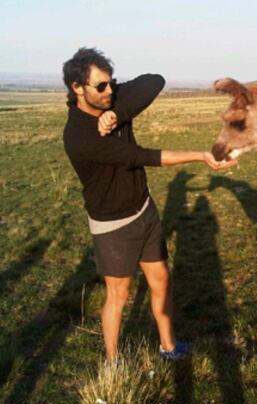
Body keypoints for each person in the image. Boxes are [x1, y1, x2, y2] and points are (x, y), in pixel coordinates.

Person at [62, 47, 237, 362]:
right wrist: (199, 155)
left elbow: (153, 81)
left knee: (162, 280)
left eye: (110, 83)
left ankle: (168, 346)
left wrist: (118, 113)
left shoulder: (111, 101)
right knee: (119, 295)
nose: (109, 91)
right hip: (113, 224)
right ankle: (112, 363)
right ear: (77, 88)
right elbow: (141, 157)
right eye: (100, 86)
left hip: (144, 210)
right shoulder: (78, 136)